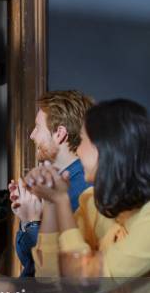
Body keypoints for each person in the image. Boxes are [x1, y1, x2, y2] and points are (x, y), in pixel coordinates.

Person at [26, 99, 150, 279]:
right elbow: (48, 276)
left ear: (105, 147)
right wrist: (51, 201)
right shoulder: (91, 201)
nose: (78, 151)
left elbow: (89, 280)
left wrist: (62, 201)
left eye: (83, 140)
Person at [9, 90, 93, 276]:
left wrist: (33, 222)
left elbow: (61, 270)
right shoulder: (51, 184)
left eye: (38, 127)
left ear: (60, 134)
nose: (32, 135)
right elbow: (30, 261)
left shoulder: (84, 190)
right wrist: (26, 216)